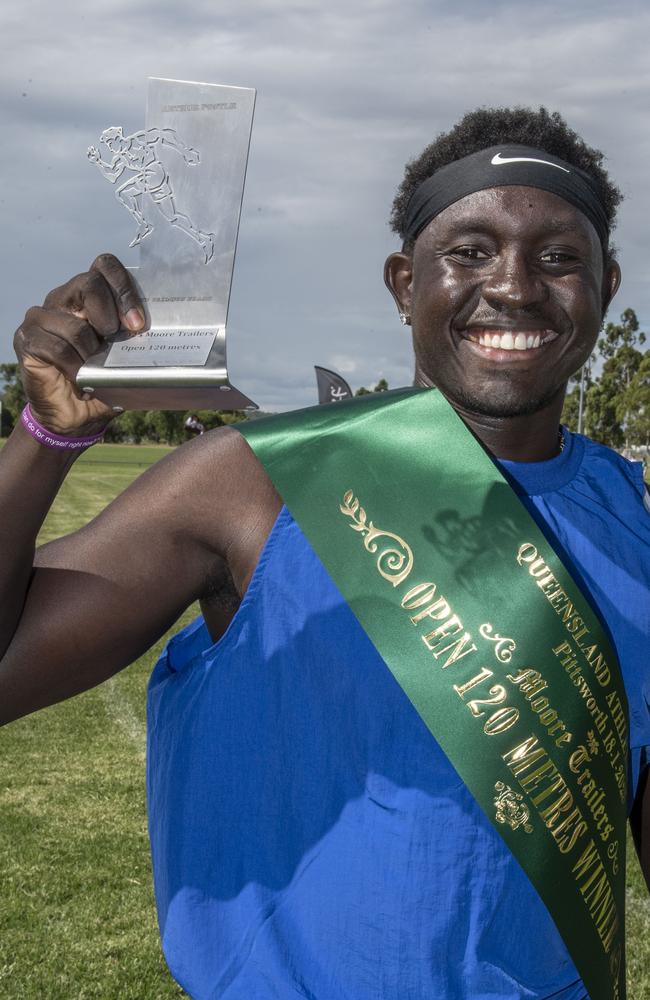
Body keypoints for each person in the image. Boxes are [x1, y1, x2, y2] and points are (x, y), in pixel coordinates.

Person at [0, 106, 648, 999]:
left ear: (607, 285)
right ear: (402, 281)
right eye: (468, 251)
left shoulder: (635, 519)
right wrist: (43, 435)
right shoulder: (255, 483)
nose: (515, 287)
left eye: (559, 258)